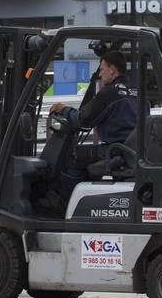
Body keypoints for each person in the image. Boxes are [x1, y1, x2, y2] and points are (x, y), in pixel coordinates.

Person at [51, 50, 137, 210]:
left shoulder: (109, 93)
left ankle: (66, 208)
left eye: (102, 69)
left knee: (72, 157)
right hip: (130, 150)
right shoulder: (136, 91)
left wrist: (63, 109)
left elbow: (82, 120)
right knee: (86, 156)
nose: (101, 74)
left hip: (115, 150)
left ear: (112, 69)